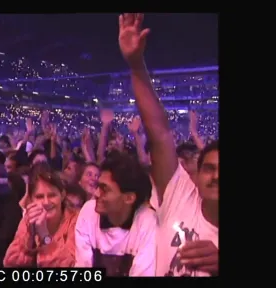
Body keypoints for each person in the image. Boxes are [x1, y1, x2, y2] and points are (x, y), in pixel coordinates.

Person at [118, 12, 218, 276]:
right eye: (209, 168)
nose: (216, 176)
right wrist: (136, 65)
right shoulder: (181, 197)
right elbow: (160, 133)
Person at [75, 155, 157, 276]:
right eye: (98, 186)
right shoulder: (88, 211)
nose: (96, 193)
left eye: (104, 189)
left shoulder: (147, 220)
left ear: (129, 198)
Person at [4, 163, 78, 267]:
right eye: (39, 197)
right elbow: (10, 263)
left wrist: (45, 236)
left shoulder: (76, 220)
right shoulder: (28, 219)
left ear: (62, 195)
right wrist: (29, 237)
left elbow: (70, 266)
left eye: (52, 195)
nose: (46, 202)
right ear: (31, 200)